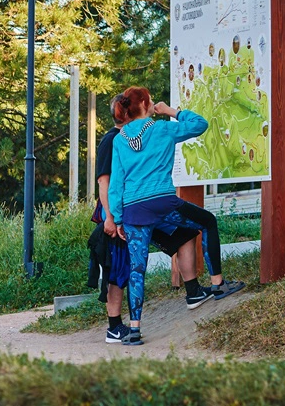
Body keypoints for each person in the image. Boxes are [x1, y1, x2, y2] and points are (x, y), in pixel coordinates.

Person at [108, 86, 245, 346]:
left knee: (137, 269)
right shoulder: (162, 128)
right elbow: (199, 124)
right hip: (163, 203)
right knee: (208, 222)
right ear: (145, 103)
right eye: (150, 101)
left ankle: (134, 330)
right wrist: (171, 111)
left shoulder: (119, 140)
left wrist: (117, 219)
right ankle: (217, 283)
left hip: (133, 211)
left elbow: (116, 184)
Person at [90, 95, 207, 345]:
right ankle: (114, 326)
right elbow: (105, 182)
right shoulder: (113, 140)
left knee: (183, 236)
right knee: (120, 267)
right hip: (121, 215)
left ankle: (193, 291)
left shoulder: (139, 134)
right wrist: (111, 218)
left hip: (138, 211)